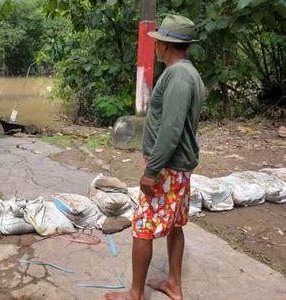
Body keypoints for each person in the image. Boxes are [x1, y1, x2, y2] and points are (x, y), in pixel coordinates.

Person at [105, 15, 205, 300]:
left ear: (166, 44)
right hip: (179, 167)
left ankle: (134, 293)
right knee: (174, 225)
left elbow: (171, 129)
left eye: (159, 42)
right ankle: (173, 283)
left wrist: (153, 170)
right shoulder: (189, 73)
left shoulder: (178, 76)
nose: (157, 46)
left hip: (167, 168)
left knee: (142, 226)